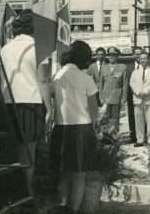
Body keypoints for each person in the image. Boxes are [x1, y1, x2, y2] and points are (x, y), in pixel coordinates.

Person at [0, 9, 49, 196]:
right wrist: (50, 109)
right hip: (31, 102)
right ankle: (26, 193)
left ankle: (13, 192)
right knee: (29, 153)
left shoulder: (5, 49)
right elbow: (43, 80)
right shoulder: (39, 47)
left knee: (12, 152)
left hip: (8, 102)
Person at [50, 40, 98, 214]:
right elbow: (94, 112)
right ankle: (74, 211)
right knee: (79, 175)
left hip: (61, 129)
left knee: (63, 173)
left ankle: (62, 209)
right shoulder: (86, 79)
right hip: (82, 131)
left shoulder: (56, 77)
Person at [130, 51, 150, 147]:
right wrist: (138, 92)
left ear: (148, 60)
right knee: (138, 120)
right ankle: (140, 139)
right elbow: (132, 83)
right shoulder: (135, 72)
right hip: (138, 99)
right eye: (141, 58)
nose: (142, 60)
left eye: (145, 58)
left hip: (149, 99)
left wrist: (145, 91)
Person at [99, 46, 128, 140]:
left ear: (117, 56)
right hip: (106, 97)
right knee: (105, 118)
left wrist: (124, 98)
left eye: (114, 55)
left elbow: (125, 84)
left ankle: (114, 137)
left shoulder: (123, 67)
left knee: (115, 118)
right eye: (110, 55)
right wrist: (101, 97)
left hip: (116, 97)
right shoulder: (104, 68)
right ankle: (106, 137)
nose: (111, 57)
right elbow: (101, 84)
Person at [126, 46, 143, 143]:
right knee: (132, 116)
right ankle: (133, 136)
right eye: (136, 54)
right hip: (131, 95)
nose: (138, 56)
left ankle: (142, 135)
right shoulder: (128, 67)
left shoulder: (145, 66)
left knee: (142, 115)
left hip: (142, 95)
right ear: (133, 55)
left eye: (140, 53)